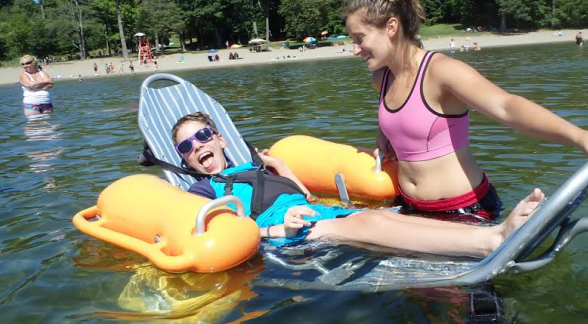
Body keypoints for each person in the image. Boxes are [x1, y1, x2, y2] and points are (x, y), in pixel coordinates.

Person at [344, 0, 588, 220]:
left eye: (360, 38)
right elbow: (407, 121)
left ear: (391, 27)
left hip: (464, 210)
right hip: (411, 207)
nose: (355, 50)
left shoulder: (440, 71)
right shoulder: (382, 79)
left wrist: (581, 136)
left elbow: (506, 106)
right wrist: (387, 135)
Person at [172, 112, 543, 256]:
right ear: (185, 160)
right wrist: (277, 229)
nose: (197, 146)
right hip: (287, 234)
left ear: (220, 138)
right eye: (186, 147)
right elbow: (228, 233)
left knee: (393, 217)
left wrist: (280, 165)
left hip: (310, 212)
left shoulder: (256, 167)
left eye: (202, 136)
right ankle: (492, 241)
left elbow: (302, 194)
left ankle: (491, 232)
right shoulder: (203, 191)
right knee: (372, 222)